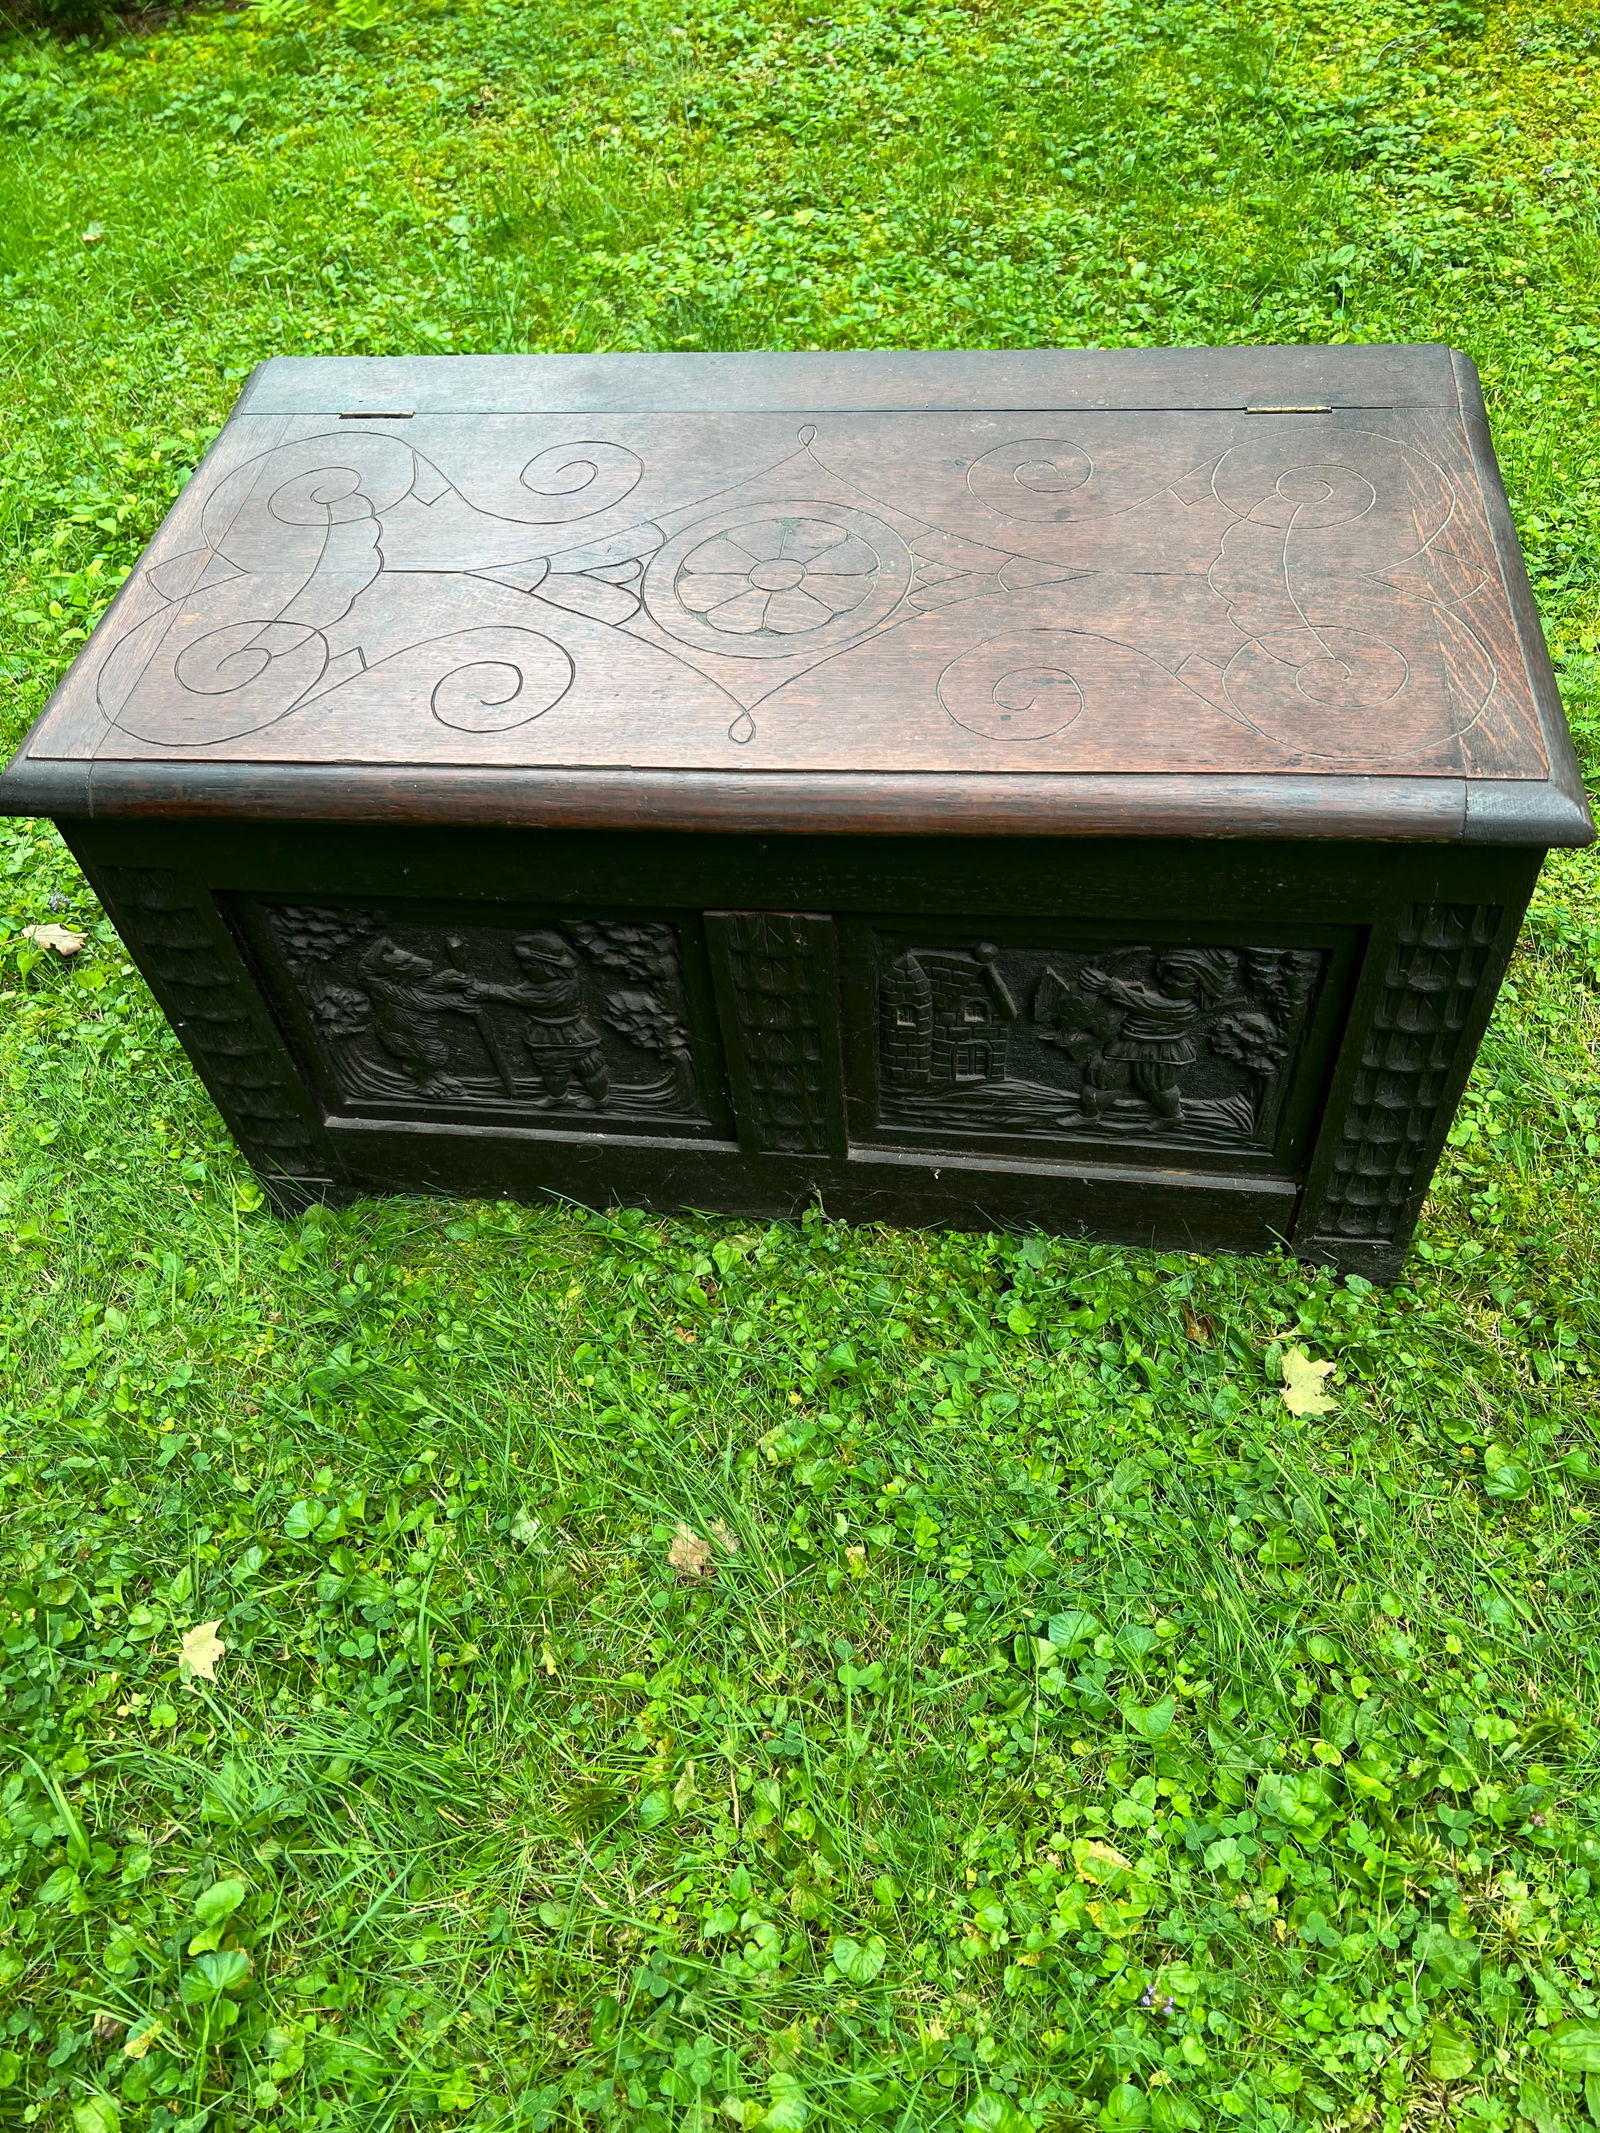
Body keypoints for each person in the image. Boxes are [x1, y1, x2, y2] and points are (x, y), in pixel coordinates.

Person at [1076, 949, 1234, 1124]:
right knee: (1103, 1077)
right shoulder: (1159, 997)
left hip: (1163, 1051)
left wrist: (1109, 987)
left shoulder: (1185, 1009)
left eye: (1180, 980)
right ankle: (1088, 1116)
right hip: (1126, 1044)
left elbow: (1147, 1004)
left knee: (1160, 1087)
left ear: (1200, 987)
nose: (1167, 981)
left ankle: (1172, 1117)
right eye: (1166, 974)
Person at [485, 932, 609, 1107]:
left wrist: (487, 990)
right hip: (544, 1033)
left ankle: (600, 1099)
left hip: (573, 1033)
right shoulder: (538, 984)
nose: (525, 968)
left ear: (548, 968)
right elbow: (521, 992)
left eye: (531, 964)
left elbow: (521, 996)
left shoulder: (562, 989)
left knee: (589, 1066)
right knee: (551, 1069)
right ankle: (558, 1096)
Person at [354, 937, 483, 1096]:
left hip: (419, 1025)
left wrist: (447, 979)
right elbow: (418, 1000)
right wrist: (453, 1002)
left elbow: (421, 989)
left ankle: (437, 1075)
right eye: (406, 964)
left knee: (433, 1055)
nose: (422, 965)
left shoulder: (400, 981)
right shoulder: (380, 985)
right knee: (432, 1054)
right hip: (401, 1032)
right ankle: (424, 1081)